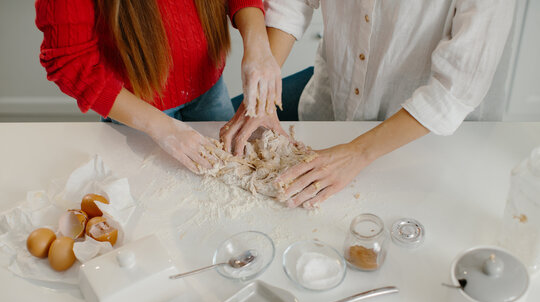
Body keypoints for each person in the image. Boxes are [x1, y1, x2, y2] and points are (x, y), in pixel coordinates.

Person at [220, 0, 516, 208]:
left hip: (422, 139)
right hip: (334, 96)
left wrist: (357, 154)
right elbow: (290, 4)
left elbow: (455, 88)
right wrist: (264, 83)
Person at [35, 0, 282, 173]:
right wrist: (163, 128)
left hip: (210, 89)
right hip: (135, 109)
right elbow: (69, 61)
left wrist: (258, 44)